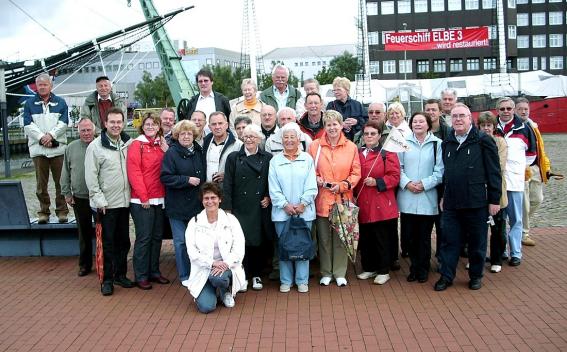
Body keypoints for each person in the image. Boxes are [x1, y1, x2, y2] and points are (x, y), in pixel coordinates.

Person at [435, 103, 501, 291]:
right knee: (449, 241)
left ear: (470, 117)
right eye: (454, 116)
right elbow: (446, 173)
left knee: (477, 242)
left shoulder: (483, 140)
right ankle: (446, 276)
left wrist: (494, 200)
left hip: (476, 201)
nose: (457, 120)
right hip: (452, 202)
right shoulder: (448, 141)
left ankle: (475, 276)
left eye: (461, 116)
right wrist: (444, 196)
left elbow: (494, 172)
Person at [85, 107, 134, 296]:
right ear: (105, 124)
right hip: (107, 204)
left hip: (125, 202)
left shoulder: (128, 143)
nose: (116, 125)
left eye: (119, 122)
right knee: (107, 243)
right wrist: (99, 200)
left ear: (123, 123)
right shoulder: (95, 147)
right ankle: (106, 279)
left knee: (124, 241)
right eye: (112, 122)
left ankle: (120, 274)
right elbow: (91, 177)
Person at [308, 110, 361, 287]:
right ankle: (326, 272)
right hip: (322, 198)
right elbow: (310, 169)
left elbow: (356, 172)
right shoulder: (315, 146)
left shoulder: (351, 147)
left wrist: (344, 185)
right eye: (328, 124)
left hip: (343, 198)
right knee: (323, 238)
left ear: (341, 126)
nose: (332, 128)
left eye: (335, 124)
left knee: (340, 237)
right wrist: (317, 179)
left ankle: (339, 272)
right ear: (324, 127)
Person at [268, 122, 318, 293]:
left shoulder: (307, 159)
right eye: (286, 137)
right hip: (282, 214)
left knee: (303, 245)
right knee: (285, 246)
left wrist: (303, 203)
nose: (289, 140)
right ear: (281, 140)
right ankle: (286, 280)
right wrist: (284, 205)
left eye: (292, 137)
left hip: (305, 212)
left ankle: (302, 280)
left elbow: (312, 185)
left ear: (299, 140)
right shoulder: (275, 161)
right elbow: (273, 188)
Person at [223, 124, 272, 291]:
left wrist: (268, 196)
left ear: (259, 139)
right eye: (246, 136)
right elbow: (227, 184)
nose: (249, 139)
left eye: (252, 136)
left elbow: (270, 180)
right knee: (239, 242)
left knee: (257, 241)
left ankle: (257, 275)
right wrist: (227, 207)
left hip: (258, 205)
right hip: (239, 206)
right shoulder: (233, 157)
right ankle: (242, 275)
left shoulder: (267, 157)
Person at [185, 182, 246, 314]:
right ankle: (209, 291)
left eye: (213, 198)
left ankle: (225, 291)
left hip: (226, 267)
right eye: (206, 198)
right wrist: (212, 263)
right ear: (202, 201)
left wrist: (225, 263)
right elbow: (192, 252)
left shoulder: (231, 220)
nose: (210, 201)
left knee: (217, 278)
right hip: (204, 268)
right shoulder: (194, 222)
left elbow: (239, 248)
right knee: (206, 307)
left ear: (220, 199)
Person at [397, 113, 444, 284]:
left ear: (428, 124)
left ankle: (423, 269)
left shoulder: (437, 144)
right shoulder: (403, 142)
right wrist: (408, 183)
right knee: (409, 237)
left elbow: (440, 171)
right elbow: (398, 167)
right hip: (407, 197)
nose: (417, 124)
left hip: (427, 197)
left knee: (423, 237)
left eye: (421, 121)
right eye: (415, 121)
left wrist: (424, 184)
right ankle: (414, 267)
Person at [127, 113, 170, 290]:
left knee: (156, 237)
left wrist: (167, 149)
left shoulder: (161, 145)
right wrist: (143, 196)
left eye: (154, 124)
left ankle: (154, 271)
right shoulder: (137, 145)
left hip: (159, 198)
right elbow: (134, 172)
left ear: (159, 126)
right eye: (147, 124)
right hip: (142, 200)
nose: (150, 127)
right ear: (142, 126)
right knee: (144, 238)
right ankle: (141, 274)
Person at [160, 120, 206, 287]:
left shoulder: (199, 151)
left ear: (194, 135)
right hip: (177, 206)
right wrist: (186, 180)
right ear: (177, 136)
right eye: (182, 134)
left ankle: (198, 272)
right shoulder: (171, 153)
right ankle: (185, 275)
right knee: (180, 242)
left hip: (196, 205)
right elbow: (165, 177)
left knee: (197, 242)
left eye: (189, 133)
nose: (186, 136)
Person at [354, 121, 400, 285]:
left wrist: (377, 182)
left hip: (382, 203)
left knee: (382, 238)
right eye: (366, 134)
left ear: (380, 135)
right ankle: (369, 267)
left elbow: (395, 176)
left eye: (373, 133)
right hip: (363, 203)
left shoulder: (387, 153)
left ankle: (383, 270)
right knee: (366, 239)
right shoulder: (358, 152)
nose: (369, 137)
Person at [495, 97, 536, 267]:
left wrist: (517, 168)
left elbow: (532, 154)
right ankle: (502, 251)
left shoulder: (525, 129)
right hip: (497, 182)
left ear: (513, 110)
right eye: (502, 108)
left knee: (516, 218)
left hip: (515, 181)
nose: (506, 111)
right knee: (499, 219)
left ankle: (516, 252)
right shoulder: (492, 127)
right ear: (497, 110)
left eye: (509, 108)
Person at [23, 73, 69, 224]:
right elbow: (28, 125)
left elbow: (63, 123)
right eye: (40, 85)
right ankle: (44, 211)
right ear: (36, 86)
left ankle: (62, 211)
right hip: (38, 150)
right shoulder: (29, 104)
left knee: (60, 183)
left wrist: (51, 135)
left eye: (45, 84)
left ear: (51, 86)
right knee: (40, 184)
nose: (42, 87)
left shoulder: (61, 103)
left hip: (58, 150)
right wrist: (42, 138)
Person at [61, 118, 96, 276]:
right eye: (83, 130)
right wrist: (67, 193)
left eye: (89, 130)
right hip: (80, 197)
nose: (86, 133)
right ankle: (85, 264)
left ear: (94, 130)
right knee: (84, 232)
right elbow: (65, 172)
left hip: (99, 197)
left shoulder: (100, 145)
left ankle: (107, 262)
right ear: (78, 131)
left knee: (106, 232)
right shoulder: (71, 148)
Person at [516, 97, 552, 247]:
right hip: (521, 168)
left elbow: (541, 149)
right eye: (520, 109)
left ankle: (517, 225)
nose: (524, 111)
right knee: (524, 203)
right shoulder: (513, 127)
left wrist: (546, 167)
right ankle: (523, 233)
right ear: (515, 110)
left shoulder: (533, 125)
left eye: (526, 109)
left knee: (537, 199)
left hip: (535, 168)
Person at [477, 111, 508, 273]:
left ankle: (497, 259)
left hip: (496, 191)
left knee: (498, 228)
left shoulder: (500, 143)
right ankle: (478, 258)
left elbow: (499, 166)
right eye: (483, 126)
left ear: (494, 127)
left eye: (489, 125)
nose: (486, 129)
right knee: (478, 228)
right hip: (479, 191)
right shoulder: (475, 142)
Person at [203, 112, 243, 185]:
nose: (217, 127)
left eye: (220, 123)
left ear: (226, 125)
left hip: (228, 189)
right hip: (207, 190)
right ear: (209, 127)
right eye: (214, 124)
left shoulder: (238, 145)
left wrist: (227, 175)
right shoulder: (204, 143)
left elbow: (243, 169)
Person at [326, 77, 366, 141]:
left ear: (347, 90)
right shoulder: (331, 105)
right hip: (337, 141)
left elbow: (366, 120)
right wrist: (341, 124)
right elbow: (326, 123)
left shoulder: (357, 104)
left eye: (338, 90)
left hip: (356, 141)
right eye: (334, 90)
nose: (336, 92)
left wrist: (357, 121)